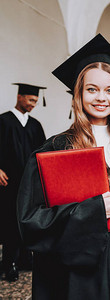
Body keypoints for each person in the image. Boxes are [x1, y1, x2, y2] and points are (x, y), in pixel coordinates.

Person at [17, 34, 110, 299]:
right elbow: (30, 221)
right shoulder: (55, 149)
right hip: (76, 282)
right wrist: (91, 210)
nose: (102, 97)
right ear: (79, 93)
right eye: (92, 89)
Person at [0, 83, 46, 281]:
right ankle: (8, 263)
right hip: (8, 183)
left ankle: (25, 259)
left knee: (26, 220)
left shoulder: (35, 125)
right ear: (20, 97)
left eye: (35, 101)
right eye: (30, 99)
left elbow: (42, 153)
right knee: (9, 221)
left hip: (28, 185)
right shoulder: (3, 121)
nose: (33, 104)